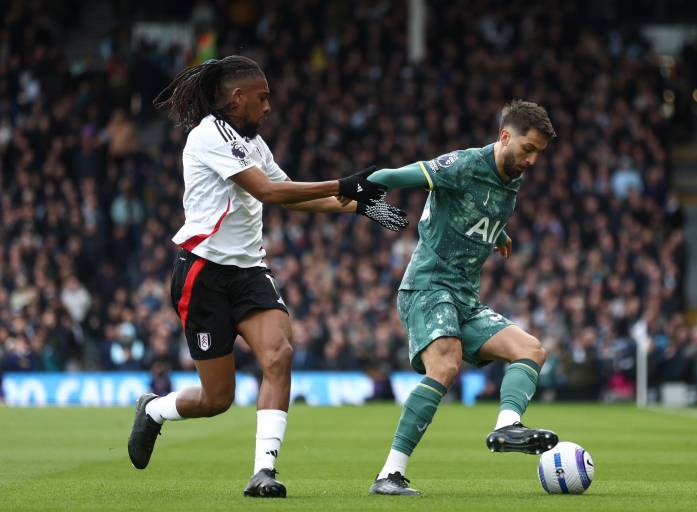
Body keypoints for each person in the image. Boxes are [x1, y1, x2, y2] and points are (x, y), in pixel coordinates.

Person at [127, 55, 408, 499]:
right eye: (262, 98)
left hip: (249, 273)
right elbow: (269, 192)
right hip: (202, 273)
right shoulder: (208, 135)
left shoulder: (254, 145)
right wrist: (343, 184)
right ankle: (155, 410)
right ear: (237, 98)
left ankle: (264, 472)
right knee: (217, 399)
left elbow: (291, 195)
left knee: (280, 354)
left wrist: (360, 206)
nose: (268, 107)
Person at [360, 100, 559, 495]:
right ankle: (389, 474)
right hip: (429, 286)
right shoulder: (464, 164)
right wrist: (361, 192)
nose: (532, 160)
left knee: (531, 350)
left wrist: (497, 232)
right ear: (505, 137)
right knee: (446, 365)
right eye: (528, 149)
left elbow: (476, 208)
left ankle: (507, 427)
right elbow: (394, 176)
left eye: (538, 153)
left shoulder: (512, 176)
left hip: (465, 298)